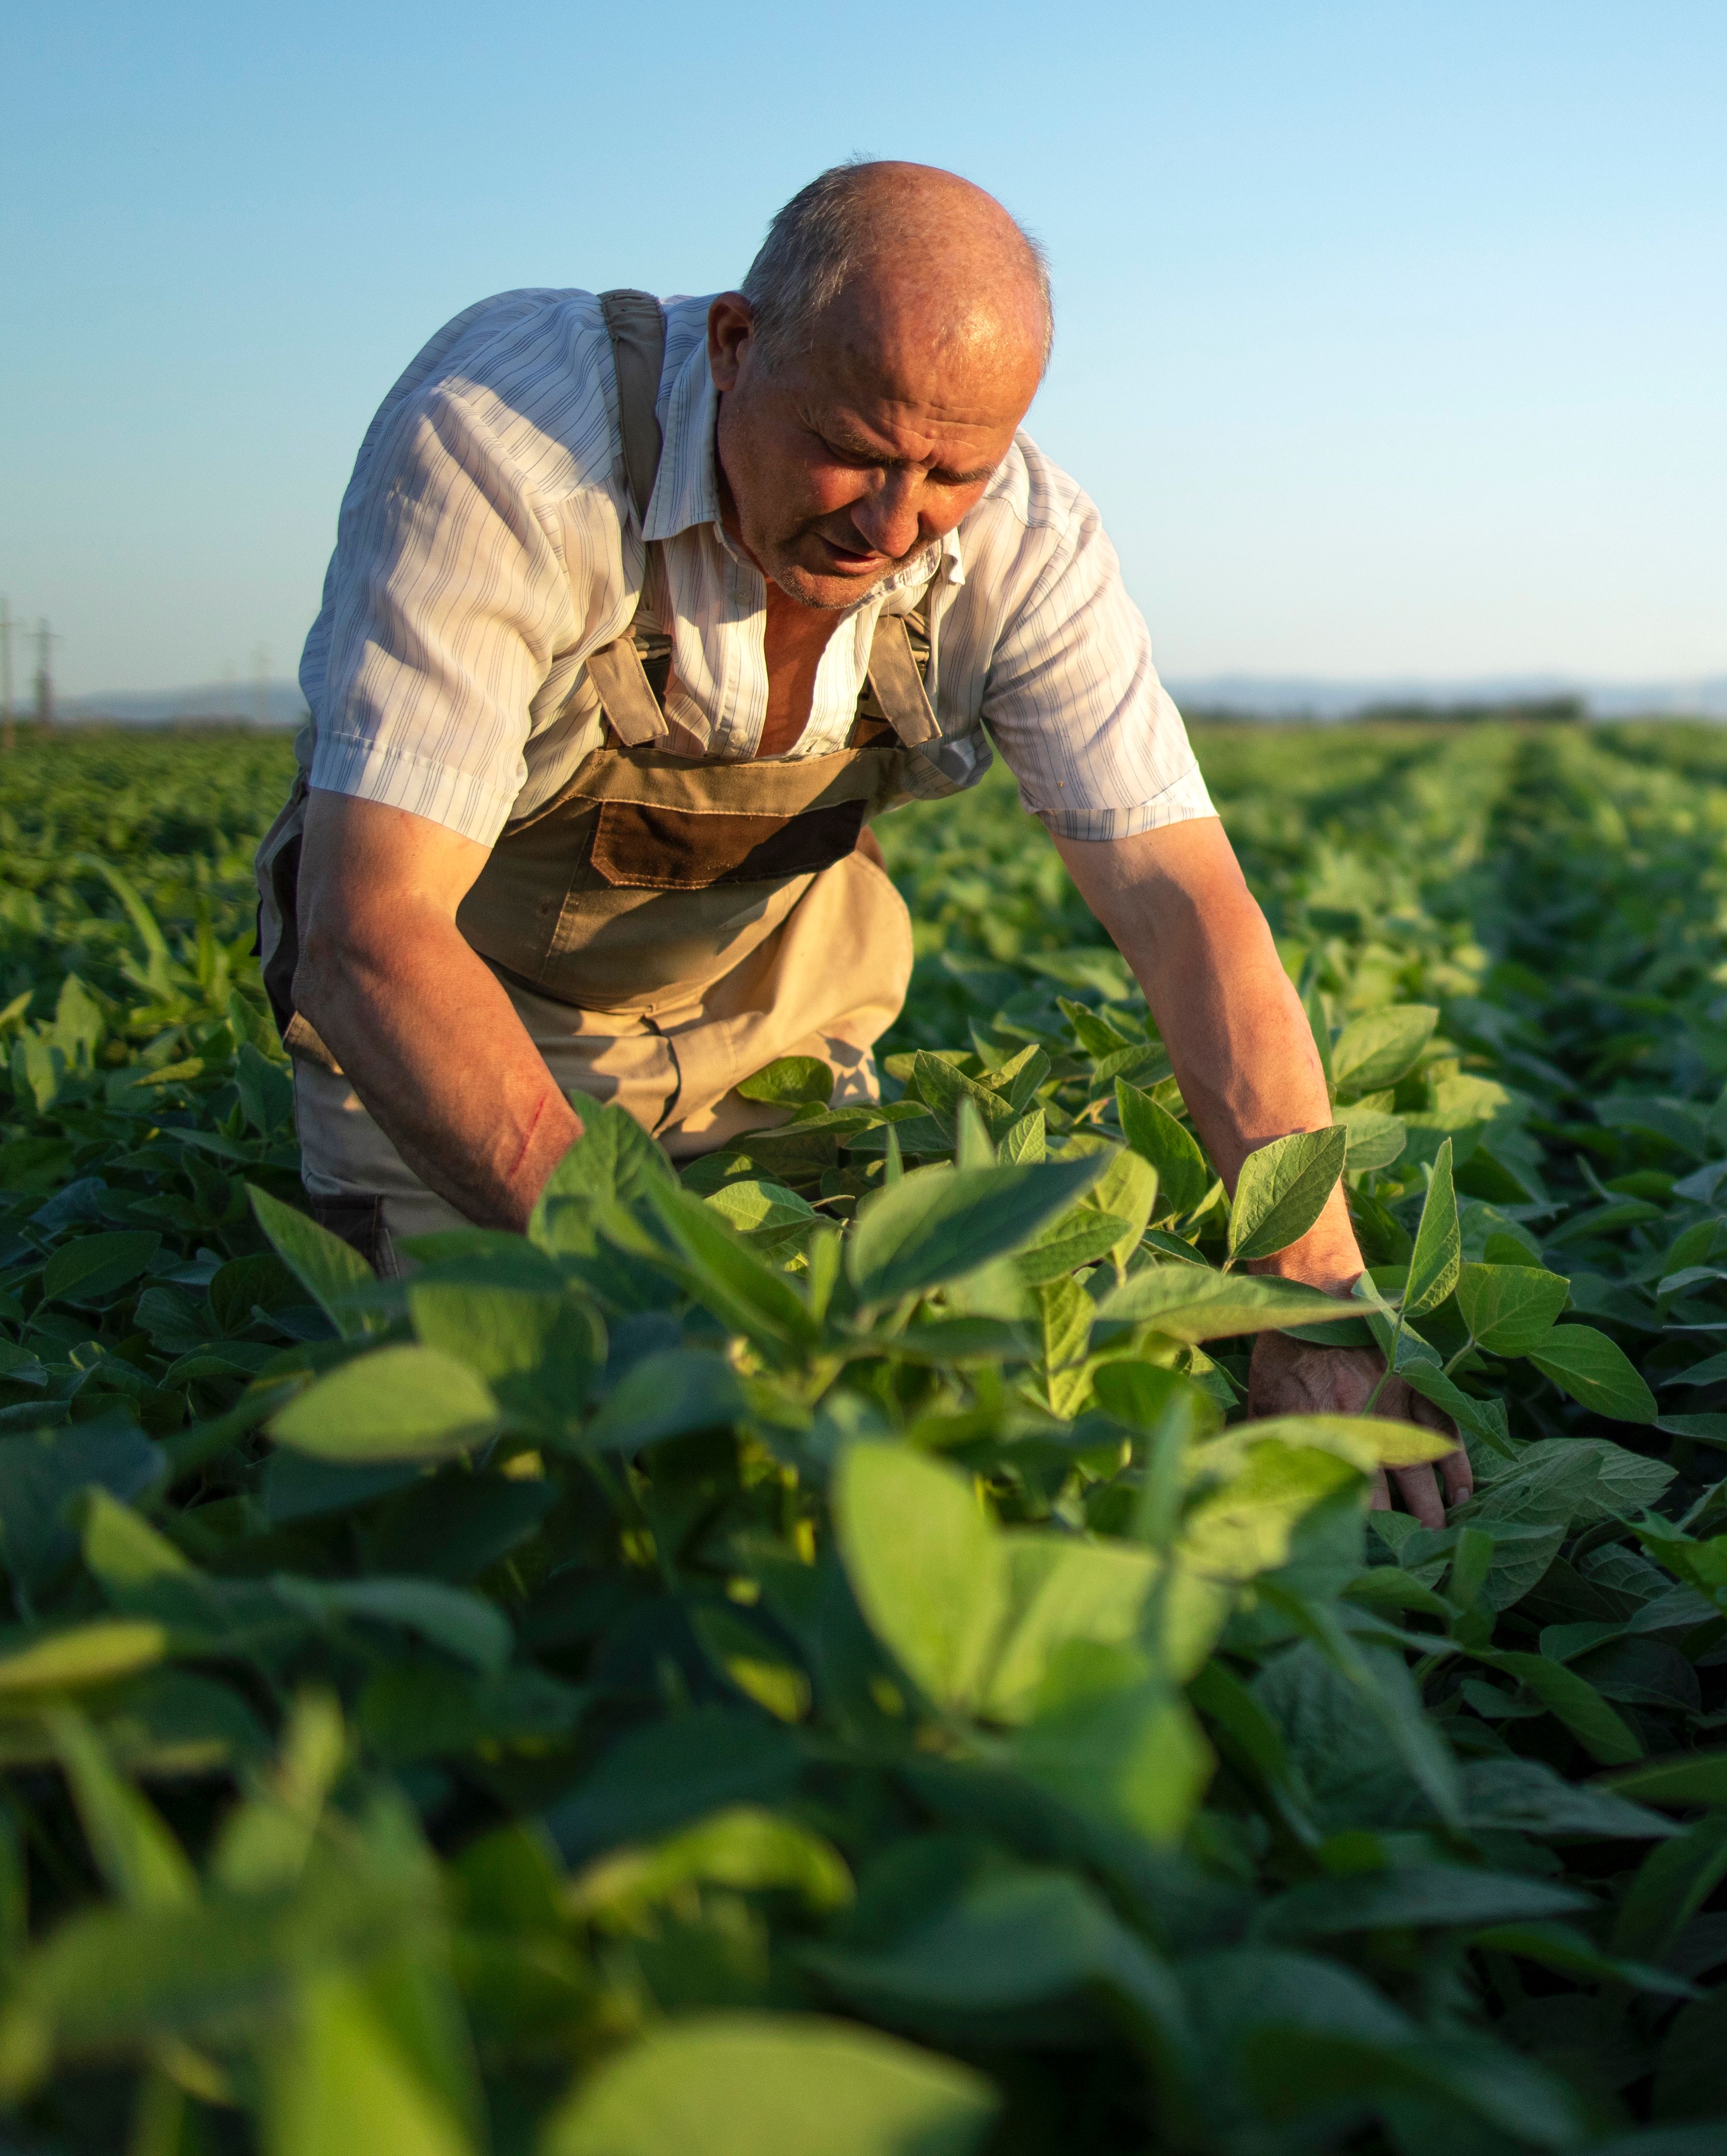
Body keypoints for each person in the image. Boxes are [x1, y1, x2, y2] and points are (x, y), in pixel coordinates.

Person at [254, 161, 1473, 1523]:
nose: (893, 524)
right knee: (494, 1488)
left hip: (773, 1026)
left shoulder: (1029, 543)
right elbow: (368, 941)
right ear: (734, 346)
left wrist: (1305, 1302)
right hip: (459, 1034)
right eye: (857, 446)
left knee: (872, 1474)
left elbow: (1185, 907)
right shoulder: (508, 446)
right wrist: (673, 1300)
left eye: (953, 471)